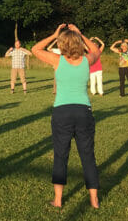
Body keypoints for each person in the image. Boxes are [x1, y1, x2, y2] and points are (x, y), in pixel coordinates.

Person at [32, 24, 102, 208]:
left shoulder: (57, 60)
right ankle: (94, 199)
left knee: (60, 155)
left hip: (62, 112)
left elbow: (35, 49)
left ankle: (58, 199)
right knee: (87, 155)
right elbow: (96, 50)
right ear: (79, 43)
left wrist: (54, 34)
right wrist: (82, 33)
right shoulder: (87, 60)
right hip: (83, 111)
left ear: (61, 44)